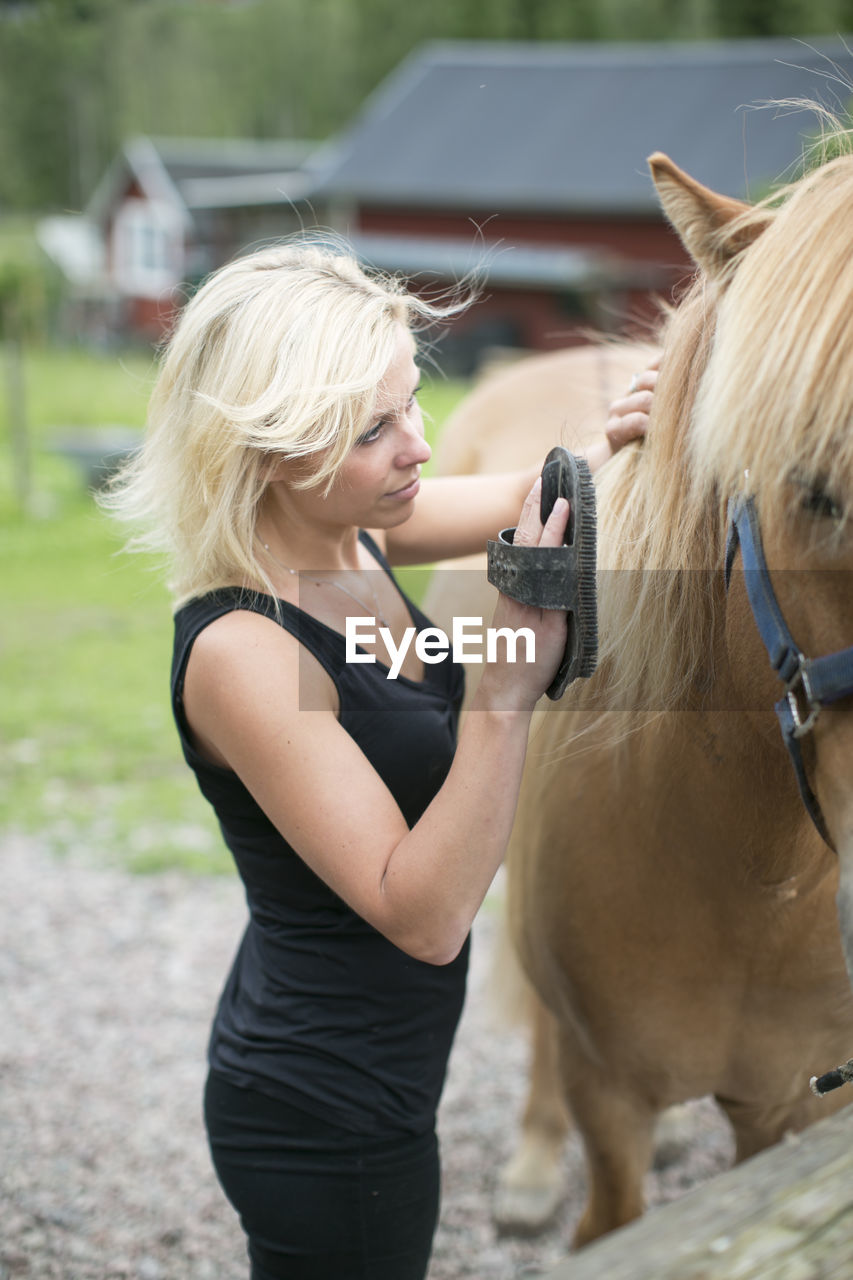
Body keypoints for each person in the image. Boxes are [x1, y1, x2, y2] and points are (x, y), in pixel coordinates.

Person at [103, 241, 656, 1280]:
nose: (417, 445)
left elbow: (529, 493)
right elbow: (424, 912)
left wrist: (619, 443)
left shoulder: (351, 536)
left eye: (412, 402)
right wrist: (505, 691)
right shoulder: (244, 648)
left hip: (363, 1079)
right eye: (375, 429)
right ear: (267, 448)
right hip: (325, 1117)